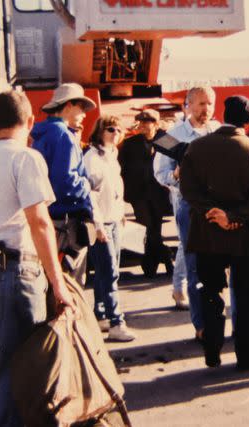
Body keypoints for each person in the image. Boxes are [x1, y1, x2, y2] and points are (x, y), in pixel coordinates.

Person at [0, 90, 75, 427]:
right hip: (18, 268)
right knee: (24, 367)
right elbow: (40, 221)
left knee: (12, 357)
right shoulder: (26, 158)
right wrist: (58, 281)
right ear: (30, 121)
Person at [181, 95, 249, 370]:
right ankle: (247, 356)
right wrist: (233, 217)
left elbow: (188, 190)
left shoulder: (196, 148)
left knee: (210, 293)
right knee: (248, 297)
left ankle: (212, 350)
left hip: (207, 233)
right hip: (246, 235)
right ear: (248, 120)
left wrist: (215, 213)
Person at [154, 86, 220, 339]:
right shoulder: (171, 136)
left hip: (218, 207)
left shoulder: (219, 131)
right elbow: (160, 173)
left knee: (217, 267)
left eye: (210, 104)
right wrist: (176, 175)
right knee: (194, 266)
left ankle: (217, 317)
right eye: (202, 104)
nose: (207, 109)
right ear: (189, 105)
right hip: (188, 208)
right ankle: (201, 325)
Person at [31, 83, 96, 286]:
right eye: (81, 108)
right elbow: (66, 182)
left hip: (48, 216)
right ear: (68, 105)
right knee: (71, 284)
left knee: (50, 282)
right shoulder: (64, 136)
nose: (84, 114)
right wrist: (87, 184)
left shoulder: (41, 135)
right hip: (67, 223)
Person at [83, 116, 136, 342]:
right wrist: (97, 225)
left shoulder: (112, 155)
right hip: (101, 222)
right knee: (110, 272)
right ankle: (116, 322)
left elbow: (115, 186)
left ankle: (101, 313)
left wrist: (121, 211)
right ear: (99, 131)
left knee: (106, 272)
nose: (115, 132)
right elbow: (91, 195)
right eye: (110, 129)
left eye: (118, 129)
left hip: (113, 219)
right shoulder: (92, 158)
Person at [119, 109, 173, 278]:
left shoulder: (165, 139)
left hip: (159, 193)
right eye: (140, 122)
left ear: (156, 124)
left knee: (154, 228)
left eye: (146, 122)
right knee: (147, 227)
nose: (142, 126)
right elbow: (121, 168)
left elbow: (179, 158)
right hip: (138, 193)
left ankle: (150, 265)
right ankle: (165, 259)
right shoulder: (130, 143)